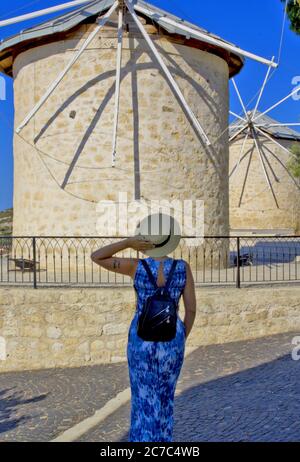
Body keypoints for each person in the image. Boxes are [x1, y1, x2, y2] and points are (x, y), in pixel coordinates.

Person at [90, 213, 196, 442]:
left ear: (145, 240)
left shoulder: (134, 267)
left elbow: (97, 256)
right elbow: (191, 310)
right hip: (173, 340)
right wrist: (180, 338)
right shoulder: (182, 267)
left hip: (141, 340)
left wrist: (128, 242)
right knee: (165, 398)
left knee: (142, 398)